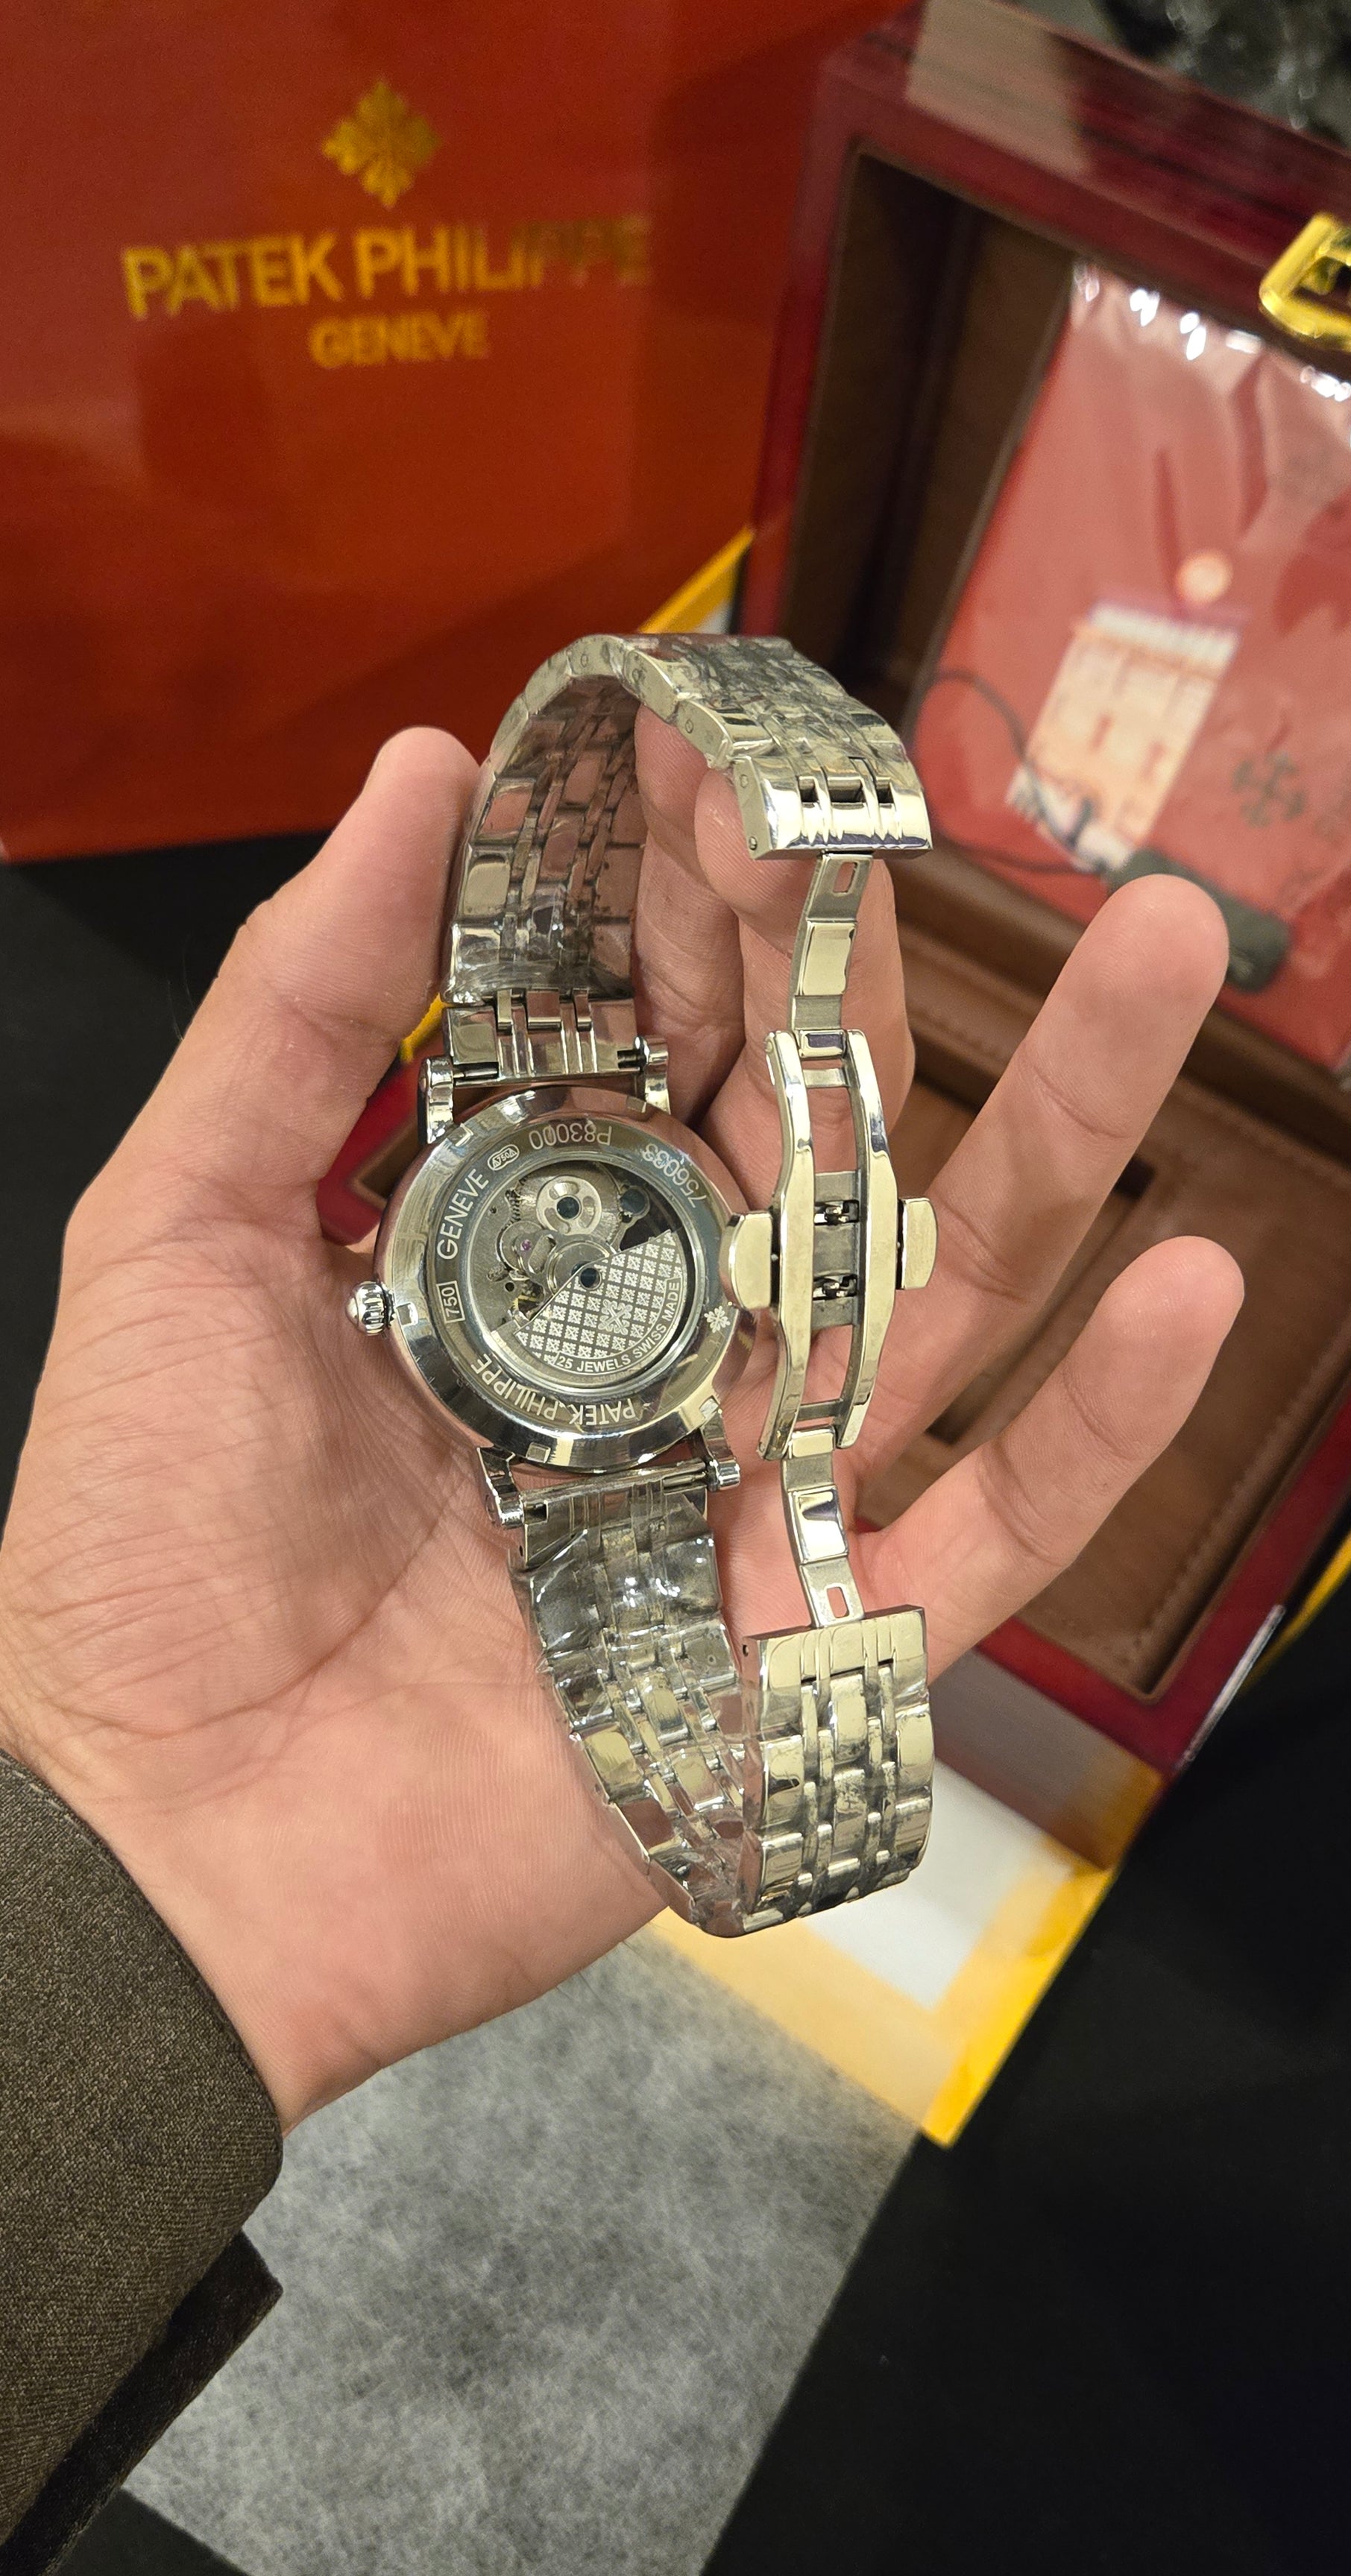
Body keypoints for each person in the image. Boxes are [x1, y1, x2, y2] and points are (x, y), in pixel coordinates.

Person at [0, 718, 1241, 2566]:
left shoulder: (606, 1237)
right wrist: (136, 1851)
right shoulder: (488, 1267)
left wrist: (118, 1885)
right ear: (408, 1288)